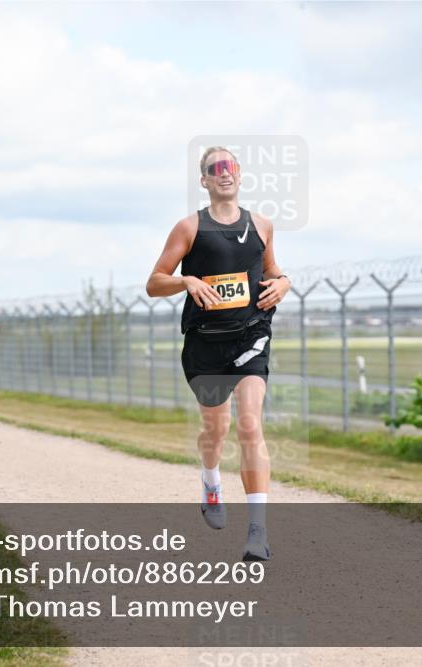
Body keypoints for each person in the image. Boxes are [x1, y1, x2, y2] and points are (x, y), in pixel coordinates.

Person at [146, 146, 291, 561]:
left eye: (229, 166)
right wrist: (186, 281)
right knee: (217, 431)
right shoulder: (189, 228)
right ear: (204, 180)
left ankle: (257, 533)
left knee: (249, 425)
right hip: (204, 344)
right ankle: (210, 479)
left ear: (240, 174)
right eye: (214, 168)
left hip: (250, 336)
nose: (223, 173)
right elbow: (155, 282)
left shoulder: (261, 224)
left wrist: (284, 283)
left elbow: (271, 270)